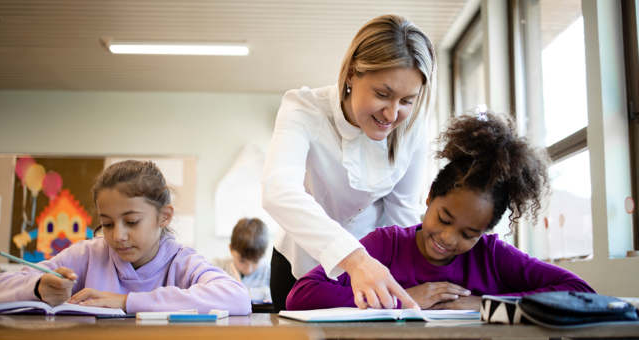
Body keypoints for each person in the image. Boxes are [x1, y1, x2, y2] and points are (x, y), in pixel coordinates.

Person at [285, 112, 595, 311]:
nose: (448, 237)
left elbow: (580, 291)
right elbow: (302, 294)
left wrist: (484, 303)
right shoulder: (386, 245)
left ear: (486, 231)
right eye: (444, 219)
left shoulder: (492, 257)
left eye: (469, 233)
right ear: (430, 196)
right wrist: (400, 301)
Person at [262, 14, 437, 311]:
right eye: (383, 94)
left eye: (407, 100)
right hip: (300, 265)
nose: (393, 114)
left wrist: (415, 279)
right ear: (353, 73)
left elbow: (402, 213)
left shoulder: (414, 128)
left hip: (374, 271)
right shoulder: (304, 109)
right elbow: (278, 190)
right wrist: (355, 258)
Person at [0, 160, 252, 315]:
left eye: (131, 222)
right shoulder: (88, 254)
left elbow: (237, 297)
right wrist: (37, 286)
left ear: (164, 216)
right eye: (106, 224)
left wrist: (127, 301)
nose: (118, 236)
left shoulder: (181, 261)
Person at [211, 218, 272, 303]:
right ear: (231, 249)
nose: (248, 269)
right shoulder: (218, 266)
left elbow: (278, 296)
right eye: (242, 261)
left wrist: (249, 294)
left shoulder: (269, 271)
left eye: (255, 262)